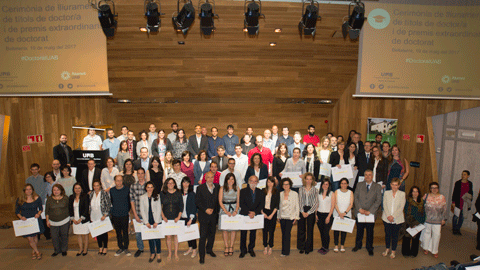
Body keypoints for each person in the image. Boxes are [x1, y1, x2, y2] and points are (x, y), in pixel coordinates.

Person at [352, 170, 382, 256]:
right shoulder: (359, 185)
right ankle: (358, 245)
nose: (367, 177)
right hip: (360, 212)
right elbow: (355, 197)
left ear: (372, 176)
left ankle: (369, 247)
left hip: (371, 213)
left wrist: (370, 211)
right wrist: (360, 209)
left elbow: (378, 200)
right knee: (359, 231)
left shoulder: (377, 186)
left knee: (370, 232)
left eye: (369, 175)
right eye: (366, 175)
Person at [196, 171, 220, 264]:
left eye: (212, 177)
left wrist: (215, 210)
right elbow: (197, 202)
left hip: (214, 215)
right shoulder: (200, 188)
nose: (210, 179)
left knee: (212, 235)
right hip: (203, 215)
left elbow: (218, 200)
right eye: (208, 177)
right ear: (205, 178)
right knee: (203, 236)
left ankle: (209, 250)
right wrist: (205, 209)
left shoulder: (217, 187)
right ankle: (201, 256)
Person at [15, 184, 44, 260]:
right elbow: (17, 211)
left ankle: (33, 250)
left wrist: (38, 214)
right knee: (29, 239)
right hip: (25, 221)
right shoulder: (20, 199)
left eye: (30, 189)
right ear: (24, 191)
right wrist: (21, 217)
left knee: (34, 237)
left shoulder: (37, 198)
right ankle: (37, 252)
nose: (28, 191)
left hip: (35, 219)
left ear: (32, 190)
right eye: (27, 189)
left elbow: (41, 208)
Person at [239, 175, 265, 258]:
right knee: (243, 234)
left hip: (255, 215)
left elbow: (262, 204)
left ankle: (251, 249)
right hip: (245, 214)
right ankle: (243, 250)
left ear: (257, 182)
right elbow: (241, 203)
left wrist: (255, 212)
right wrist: (248, 212)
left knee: (253, 234)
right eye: (251, 181)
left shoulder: (260, 192)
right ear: (248, 181)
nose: (253, 183)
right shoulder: (242, 191)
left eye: (255, 181)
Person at [422, 182, 447, 258]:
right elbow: (421, 207)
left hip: (438, 220)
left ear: (438, 189)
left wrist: (443, 219)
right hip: (427, 219)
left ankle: (434, 251)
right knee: (426, 234)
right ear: (430, 189)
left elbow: (444, 209)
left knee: (436, 235)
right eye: (432, 188)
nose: (434, 189)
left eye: (436, 188)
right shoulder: (426, 196)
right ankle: (425, 248)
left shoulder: (442, 197)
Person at [161, 178, 184, 261]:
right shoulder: (162, 193)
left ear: (174, 184)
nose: (170, 184)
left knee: (176, 236)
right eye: (168, 183)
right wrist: (163, 216)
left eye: (172, 183)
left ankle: (176, 253)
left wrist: (178, 217)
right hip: (166, 218)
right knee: (168, 237)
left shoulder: (178, 193)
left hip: (176, 218)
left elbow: (181, 206)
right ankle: (170, 253)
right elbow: (159, 206)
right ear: (166, 184)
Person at [382, 178, 405, 259]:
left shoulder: (402, 194)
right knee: (387, 235)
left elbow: (401, 207)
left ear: (399, 185)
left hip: (397, 218)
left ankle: (393, 251)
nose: (394, 186)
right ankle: (387, 249)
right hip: (386, 218)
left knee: (395, 236)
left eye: (396, 185)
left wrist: (393, 216)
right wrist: (388, 216)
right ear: (390, 185)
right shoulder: (386, 193)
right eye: (393, 184)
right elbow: (384, 205)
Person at [140, 182, 163, 263]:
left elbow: (159, 209)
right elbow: (142, 210)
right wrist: (146, 222)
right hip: (148, 221)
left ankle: (159, 253)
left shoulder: (157, 196)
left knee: (157, 238)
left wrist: (156, 221)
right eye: (148, 187)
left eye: (151, 187)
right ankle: (152, 253)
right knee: (150, 238)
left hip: (156, 220)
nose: (149, 189)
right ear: (146, 188)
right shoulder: (142, 197)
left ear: (153, 188)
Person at [218, 173, 240, 257]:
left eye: (232, 179)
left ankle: (231, 246)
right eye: (229, 179)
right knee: (225, 229)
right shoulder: (222, 188)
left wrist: (236, 210)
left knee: (233, 229)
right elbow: (220, 201)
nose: (231, 181)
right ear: (226, 180)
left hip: (234, 209)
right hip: (224, 209)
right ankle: (226, 246)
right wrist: (225, 211)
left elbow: (238, 201)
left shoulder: (237, 188)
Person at [45, 184, 70, 257]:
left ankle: (64, 250)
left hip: (65, 220)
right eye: (54, 190)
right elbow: (47, 211)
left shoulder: (66, 198)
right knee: (54, 237)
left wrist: (70, 218)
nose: (56, 191)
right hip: (53, 221)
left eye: (58, 190)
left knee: (64, 235)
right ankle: (57, 250)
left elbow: (69, 209)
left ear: (61, 190)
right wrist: (47, 220)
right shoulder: (49, 199)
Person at [110, 175, 131, 257]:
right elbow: (111, 201)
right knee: (118, 233)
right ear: (114, 181)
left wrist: (127, 210)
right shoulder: (112, 190)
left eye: (120, 180)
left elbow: (129, 202)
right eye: (117, 180)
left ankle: (126, 248)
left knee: (125, 232)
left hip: (124, 214)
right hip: (115, 215)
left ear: (123, 181)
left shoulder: (127, 189)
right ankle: (120, 247)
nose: (119, 182)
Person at [297, 173, 319, 254]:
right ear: (304, 180)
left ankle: (308, 248)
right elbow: (299, 201)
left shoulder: (315, 190)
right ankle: (301, 247)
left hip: (311, 210)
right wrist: (302, 211)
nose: (309, 181)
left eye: (310, 179)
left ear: (312, 180)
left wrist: (309, 212)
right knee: (301, 229)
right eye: (307, 179)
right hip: (302, 210)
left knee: (310, 230)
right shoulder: (301, 189)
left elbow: (316, 202)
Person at [278, 178, 299, 257]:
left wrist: (296, 217)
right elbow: (278, 206)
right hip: (282, 217)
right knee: (284, 234)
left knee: (287, 234)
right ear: (282, 185)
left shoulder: (295, 194)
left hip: (290, 217)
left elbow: (297, 206)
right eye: (284, 184)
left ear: (290, 185)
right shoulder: (280, 194)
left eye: (287, 184)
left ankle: (285, 252)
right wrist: (278, 216)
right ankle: (284, 250)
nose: (286, 186)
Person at [402, 186, 425, 257]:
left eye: (416, 191)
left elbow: (424, 214)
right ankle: (405, 252)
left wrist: (418, 223)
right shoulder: (407, 201)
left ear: (418, 193)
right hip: (409, 223)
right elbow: (406, 212)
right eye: (413, 191)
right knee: (406, 238)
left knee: (415, 239)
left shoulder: (422, 202)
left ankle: (414, 253)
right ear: (411, 193)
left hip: (418, 223)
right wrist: (411, 224)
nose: (415, 193)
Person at [130, 167, 148, 258]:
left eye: (142, 173)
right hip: (137, 213)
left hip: (148, 214)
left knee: (150, 231)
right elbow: (132, 201)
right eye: (139, 173)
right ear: (137, 175)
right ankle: (140, 248)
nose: (140, 175)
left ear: (144, 174)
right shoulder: (133, 186)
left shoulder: (148, 185)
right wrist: (135, 215)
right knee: (138, 234)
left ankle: (153, 250)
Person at [332, 178, 353, 253]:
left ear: (347, 184)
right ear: (340, 184)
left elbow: (351, 204)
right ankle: (336, 245)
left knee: (344, 231)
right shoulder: (336, 191)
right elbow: (335, 203)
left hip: (346, 214)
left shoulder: (350, 192)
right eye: (342, 183)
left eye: (345, 183)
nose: (343, 185)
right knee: (336, 231)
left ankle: (342, 245)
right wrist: (339, 213)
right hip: (337, 213)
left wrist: (345, 213)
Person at [90, 179, 111, 255]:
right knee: (97, 233)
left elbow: (108, 204)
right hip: (94, 216)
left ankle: (105, 247)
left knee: (104, 233)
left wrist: (105, 215)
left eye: (97, 185)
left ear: (100, 186)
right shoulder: (91, 194)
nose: (96, 187)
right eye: (94, 186)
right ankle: (100, 247)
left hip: (102, 217)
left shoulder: (104, 193)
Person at [69, 183, 90, 256]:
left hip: (83, 219)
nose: (77, 190)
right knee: (78, 234)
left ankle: (85, 249)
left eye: (79, 188)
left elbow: (86, 208)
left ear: (81, 189)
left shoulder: (85, 196)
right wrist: (73, 219)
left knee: (85, 234)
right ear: (73, 189)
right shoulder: (71, 197)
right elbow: (70, 209)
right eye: (76, 188)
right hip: (75, 219)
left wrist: (81, 219)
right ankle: (80, 248)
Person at [260, 177, 279, 256]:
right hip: (264, 212)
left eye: (271, 182)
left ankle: (270, 246)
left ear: (274, 183)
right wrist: (262, 213)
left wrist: (271, 215)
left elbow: (277, 205)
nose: (270, 184)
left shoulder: (276, 191)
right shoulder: (263, 191)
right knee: (264, 231)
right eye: (268, 182)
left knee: (271, 231)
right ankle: (265, 246)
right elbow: (260, 203)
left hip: (272, 213)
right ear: (266, 183)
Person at [180, 177, 198, 258]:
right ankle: (190, 248)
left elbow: (194, 207)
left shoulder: (192, 194)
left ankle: (194, 249)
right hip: (182, 217)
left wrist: (191, 219)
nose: (185, 184)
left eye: (187, 182)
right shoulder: (179, 193)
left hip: (190, 217)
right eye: (184, 182)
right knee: (187, 234)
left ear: (189, 184)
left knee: (192, 234)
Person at [451, 170, 473, 235]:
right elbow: (454, 193)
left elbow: (471, 193)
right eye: (462, 174)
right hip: (458, 202)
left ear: (468, 176)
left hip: (465, 203)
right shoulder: (457, 183)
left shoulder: (470, 183)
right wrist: (453, 202)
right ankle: (454, 229)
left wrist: (469, 202)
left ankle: (458, 229)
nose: (463, 176)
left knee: (462, 217)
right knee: (455, 216)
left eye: (464, 174)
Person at [316, 179, 335, 255]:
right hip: (319, 215)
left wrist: (329, 216)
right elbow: (316, 204)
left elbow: (333, 206)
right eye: (323, 184)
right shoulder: (318, 193)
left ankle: (326, 247)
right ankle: (323, 246)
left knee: (326, 232)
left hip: (328, 215)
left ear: (329, 185)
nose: (325, 185)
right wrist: (316, 214)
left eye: (326, 184)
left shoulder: (331, 193)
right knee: (321, 232)